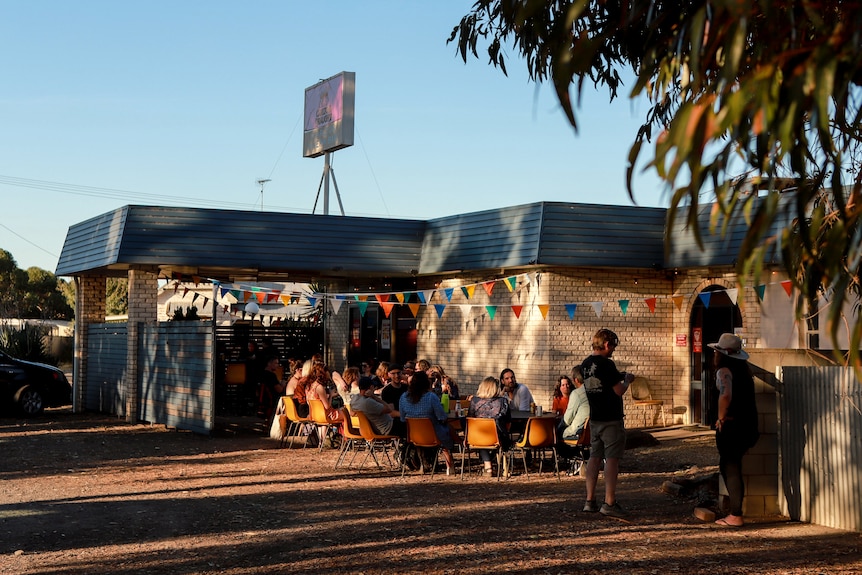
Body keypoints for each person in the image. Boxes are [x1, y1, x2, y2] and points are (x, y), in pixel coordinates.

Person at [580, 328, 635, 518]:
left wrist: (618, 375)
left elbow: (601, 381)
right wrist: (627, 380)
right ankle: (609, 502)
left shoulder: (585, 364)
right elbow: (618, 390)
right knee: (612, 459)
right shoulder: (607, 364)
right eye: (612, 346)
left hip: (595, 418)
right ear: (606, 344)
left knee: (594, 457)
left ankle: (589, 500)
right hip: (611, 419)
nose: (613, 350)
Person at [708, 333, 759, 527]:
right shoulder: (744, 370)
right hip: (748, 425)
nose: (714, 355)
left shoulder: (724, 371)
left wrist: (721, 418)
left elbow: (726, 394)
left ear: (722, 354)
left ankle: (736, 514)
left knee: (731, 467)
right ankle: (735, 512)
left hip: (732, 425)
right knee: (730, 466)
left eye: (716, 352)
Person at [399, 371, 455, 475]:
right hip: (433, 434)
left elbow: (402, 418)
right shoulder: (431, 397)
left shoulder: (404, 397)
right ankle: (450, 462)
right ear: (426, 383)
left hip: (413, 435)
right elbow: (442, 416)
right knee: (448, 430)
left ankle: (423, 464)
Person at [467, 376, 512, 474]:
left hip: (478, 437)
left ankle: (488, 467)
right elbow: (508, 420)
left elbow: (469, 418)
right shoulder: (503, 401)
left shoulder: (474, 401)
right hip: (497, 437)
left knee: (482, 439)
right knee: (499, 436)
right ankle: (499, 463)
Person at [560, 366, 590, 441]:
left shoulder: (577, 393)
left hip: (579, 431)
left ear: (576, 380)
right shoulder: (594, 391)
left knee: (558, 431)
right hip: (592, 431)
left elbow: (567, 419)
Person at [257, 355, 284, 421]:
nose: (277, 365)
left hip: (262, 402)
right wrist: (283, 384)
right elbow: (279, 390)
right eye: (276, 363)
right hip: (272, 402)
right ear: (269, 363)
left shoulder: (260, 374)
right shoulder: (271, 376)